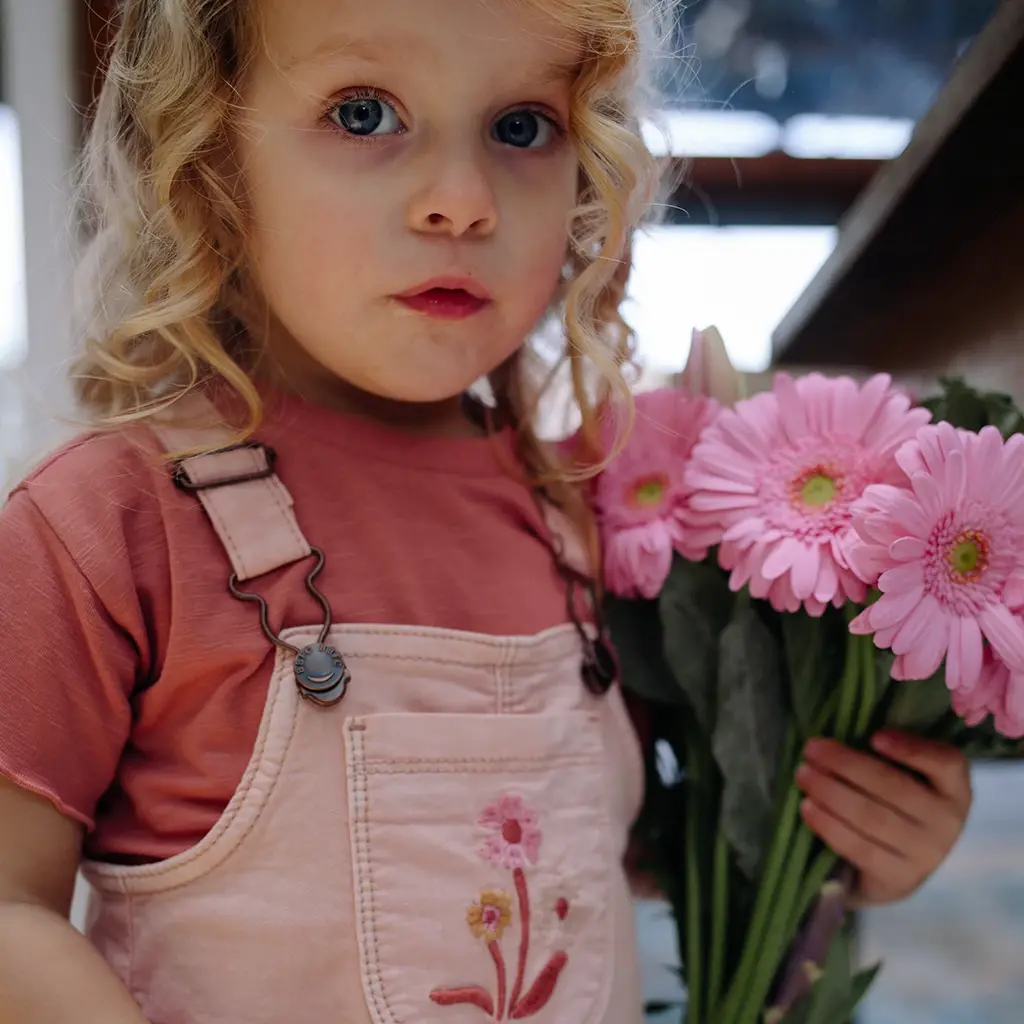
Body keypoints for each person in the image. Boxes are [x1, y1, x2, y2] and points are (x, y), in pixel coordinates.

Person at [0, 0, 973, 1021]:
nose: (462, 201)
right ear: (210, 158)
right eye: (364, 113)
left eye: (520, 127)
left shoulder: (595, 516)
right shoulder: (105, 521)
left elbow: (673, 851)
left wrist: (863, 843)